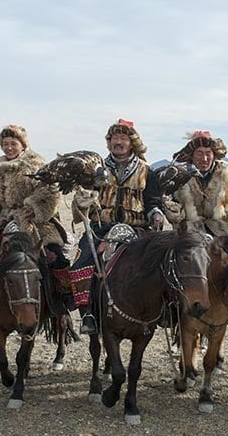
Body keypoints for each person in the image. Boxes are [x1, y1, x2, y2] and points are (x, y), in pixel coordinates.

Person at [70, 119, 164, 334]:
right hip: (101, 227)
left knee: (160, 264)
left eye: (123, 138)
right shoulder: (95, 169)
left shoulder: (146, 171)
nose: (118, 142)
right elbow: (84, 197)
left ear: (132, 143)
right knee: (80, 264)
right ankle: (88, 315)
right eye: (114, 138)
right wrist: (83, 202)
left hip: (136, 227)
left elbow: (153, 201)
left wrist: (156, 214)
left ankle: (161, 312)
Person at [0, 124, 71, 310]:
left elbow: (51, 192)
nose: (9, 147)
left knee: (54, 257)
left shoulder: (37, 165)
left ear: (23, 144)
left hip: (37, 222)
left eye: (13, 143)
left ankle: (63, 298)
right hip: (6, 220)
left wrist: (35, 208)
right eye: (5, 144)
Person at [164, 130, 228, 241]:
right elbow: (170, 203)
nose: (204, 159)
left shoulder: (227, 172)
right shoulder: (178, 176)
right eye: (199, 153)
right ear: (191, 156)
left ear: (214, 155)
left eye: (208, 153)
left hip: (225, 235)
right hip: (190, 238)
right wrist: (172, 211)